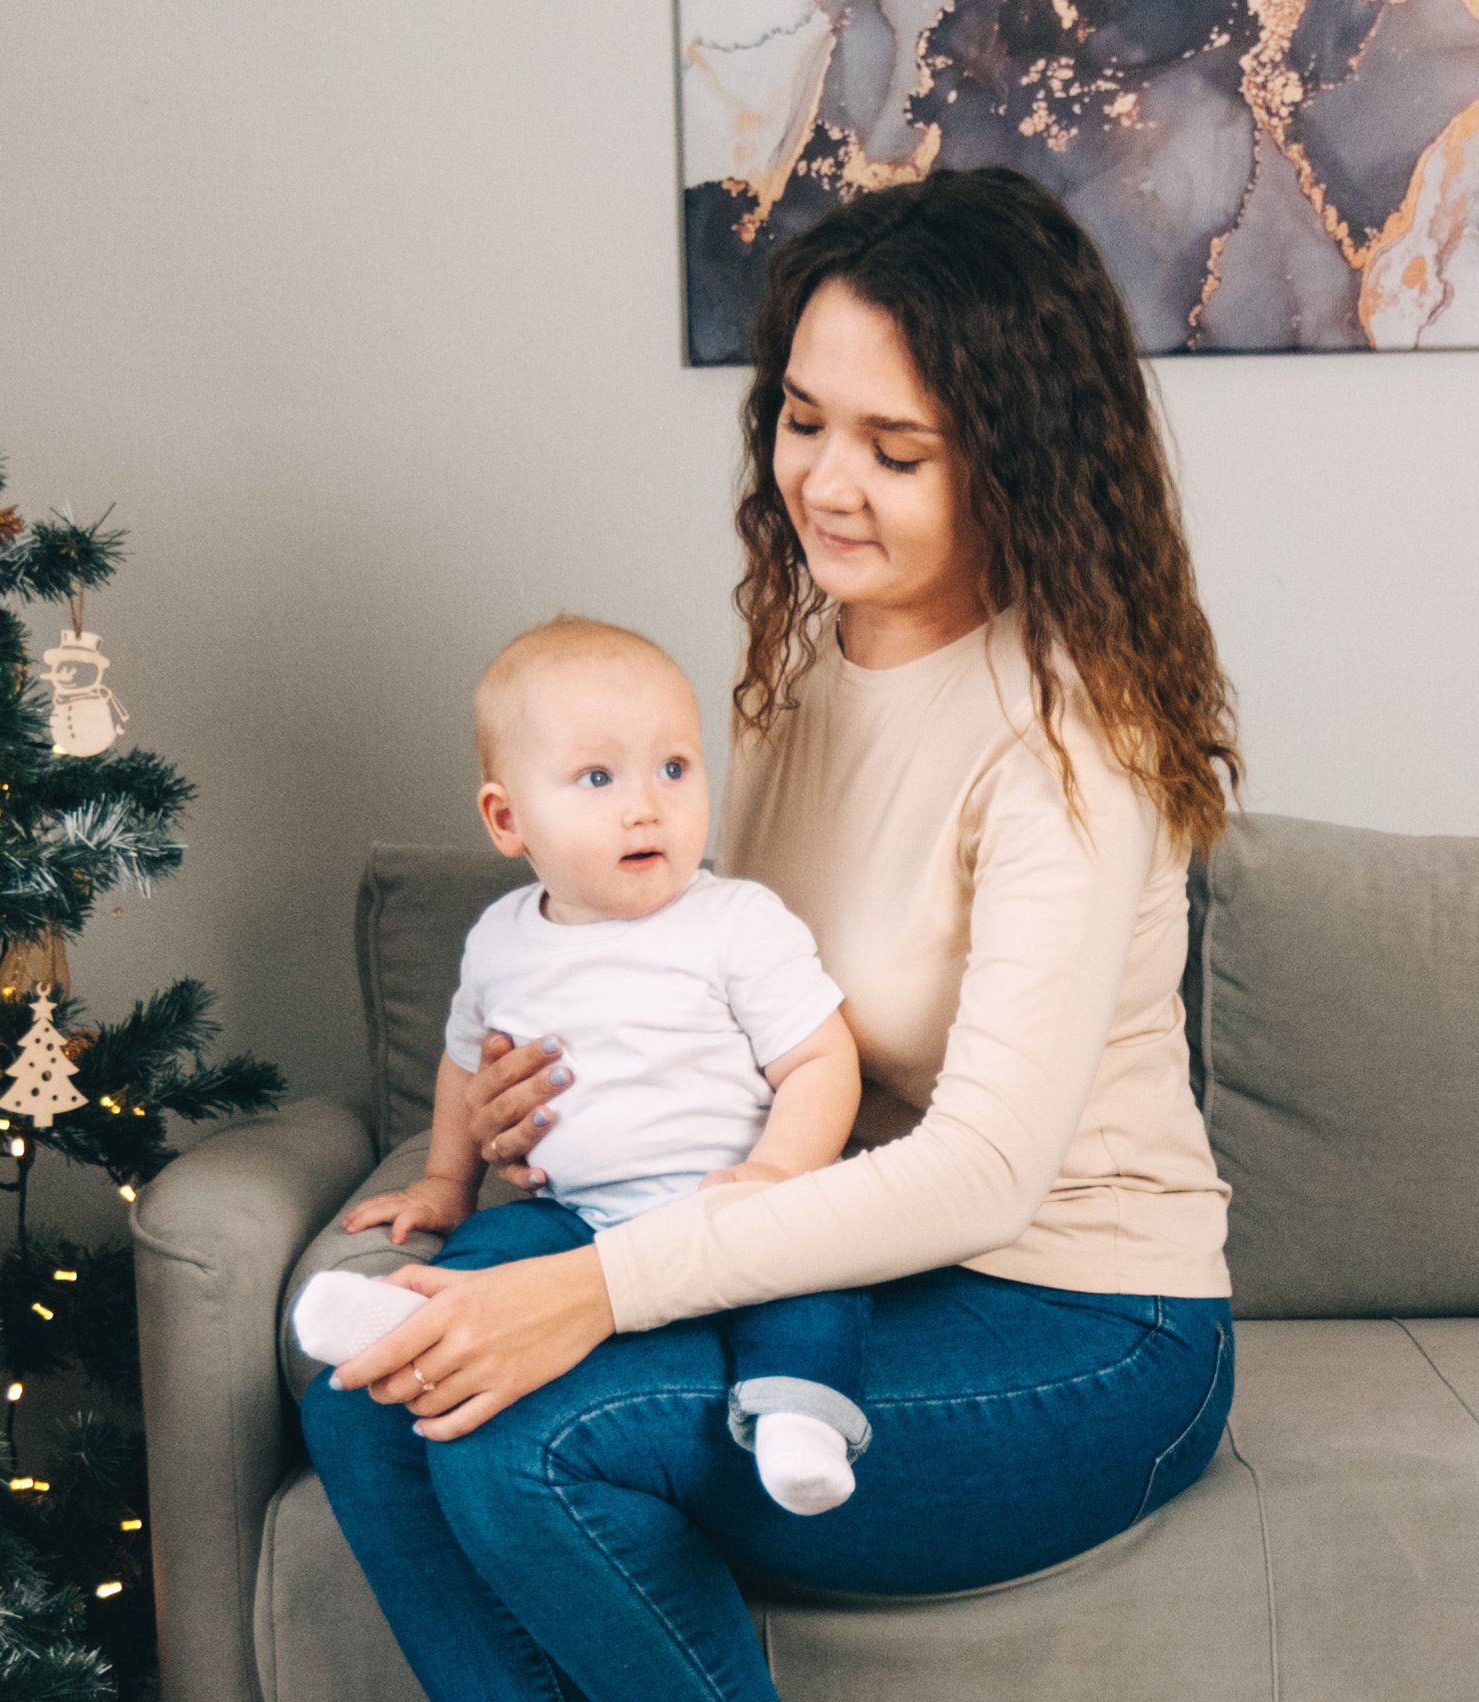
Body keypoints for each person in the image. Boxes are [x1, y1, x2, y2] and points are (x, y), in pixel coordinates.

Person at [297, 164, 1243, 1702]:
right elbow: (756, 1002)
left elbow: (985, 1171)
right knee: (367, 1386)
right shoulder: (799, 663)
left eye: (897, 448)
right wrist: (567, 1118)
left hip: (1084, 1317)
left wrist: (593, 1287)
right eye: (804, 420)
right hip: (856, 1255)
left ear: (1016, 457)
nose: (826, 484)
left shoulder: (1078, 739)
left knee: (528, 1433)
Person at [292, 616, 871, 1515]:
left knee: (816, 1287)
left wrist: (777, 1176)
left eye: (674, 768)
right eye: (597, 778)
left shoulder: (736, 920)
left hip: (733, 1212)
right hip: (577, 1222)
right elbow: (460, 1069)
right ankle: (412, 1324)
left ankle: (799, 1422)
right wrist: (447, 1185)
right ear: (506, 818)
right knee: (495, 1247)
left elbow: (821, 1056)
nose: (646, 806)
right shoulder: (499, 939)